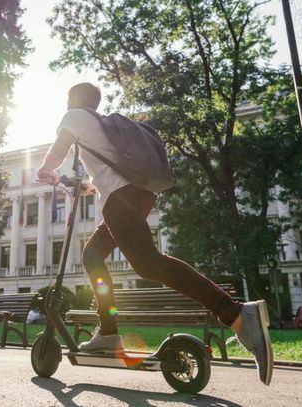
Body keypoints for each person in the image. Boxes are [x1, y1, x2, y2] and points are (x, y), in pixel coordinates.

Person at [37, 82, 273, 385]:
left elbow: (57, 150)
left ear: (73, 100)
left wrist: (45, 169)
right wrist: (86, 186)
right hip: (138, 195)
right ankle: (108, 333)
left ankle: (235, 313)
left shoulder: (74, 117)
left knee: (147, 264)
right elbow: (109, 172)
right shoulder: (100, 125)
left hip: (119, 201)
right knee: (93, 254)